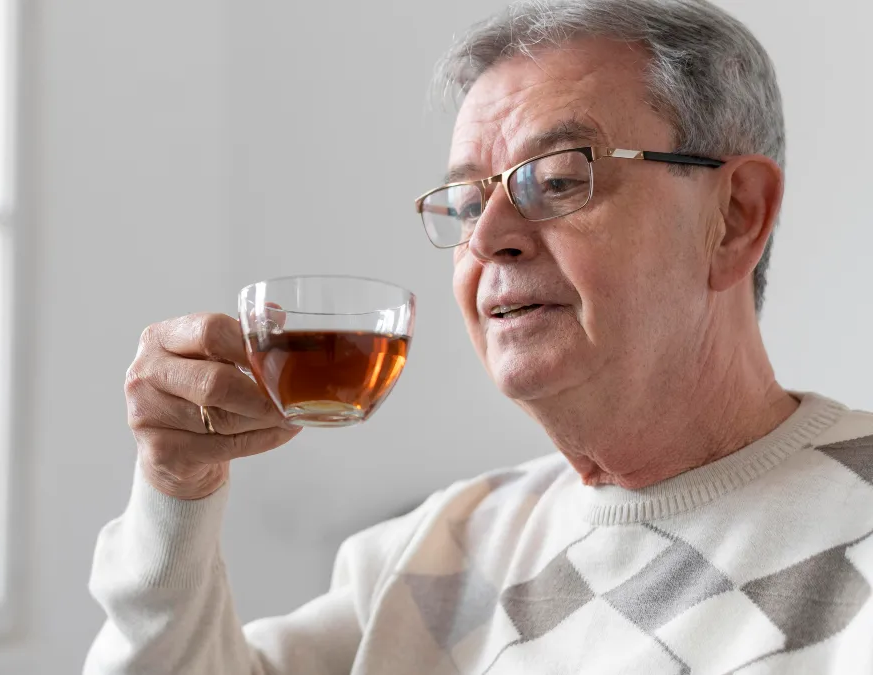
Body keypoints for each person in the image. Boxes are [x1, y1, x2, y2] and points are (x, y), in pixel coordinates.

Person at [84, 0, 873, 672]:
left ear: (735, 218)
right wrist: (175, 487)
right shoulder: (434, 549)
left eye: (559, 177)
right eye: (466, 202)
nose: (490, 234)